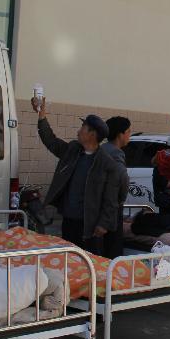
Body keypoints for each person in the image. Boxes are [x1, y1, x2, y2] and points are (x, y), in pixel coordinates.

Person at [32, 97, 119, 255]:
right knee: (69, 260)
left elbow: (112, 199)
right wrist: (41, 115)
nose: (79, 131)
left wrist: (103, 224)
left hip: (91, 226)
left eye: (83, 128)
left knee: (89, 262)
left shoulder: (106, 164)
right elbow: (51, 141)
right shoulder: (73, 150)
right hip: (69, 220)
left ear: (92, 134)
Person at [100, 116, 131, 258]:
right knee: (113, 250)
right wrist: (121, 199)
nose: (129, 135)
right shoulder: (116, 153)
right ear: (120, 135)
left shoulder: (101, 149)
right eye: (128, 132)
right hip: (111, 207)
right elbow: (123, 178)